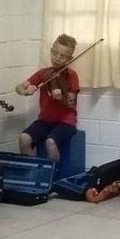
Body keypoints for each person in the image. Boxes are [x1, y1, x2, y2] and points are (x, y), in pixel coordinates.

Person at [15, 34, 79, 163]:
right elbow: (19, 87)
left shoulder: (71, 75)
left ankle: (52, 177)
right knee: (24, 137)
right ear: (51, 51)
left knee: (51, 142)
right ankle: (29, 171)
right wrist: (26, 92)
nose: (57, 58)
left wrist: (61, 97)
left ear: (70, 59)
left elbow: (71, 102)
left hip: (66, 122)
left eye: (62, 56)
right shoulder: (44, 73)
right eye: (55, 53)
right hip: (45, 121)